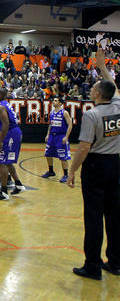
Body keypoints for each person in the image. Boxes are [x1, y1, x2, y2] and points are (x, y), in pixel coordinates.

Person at [67, 51, 120, 280]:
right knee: (115, 216)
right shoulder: (118, 106)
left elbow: (84, 147)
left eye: (94, 87)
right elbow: (114, 88)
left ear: (97, 94)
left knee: (93, 216)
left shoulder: (92, 115)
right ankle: (116, 262)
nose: (91, 89)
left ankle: (92, 266)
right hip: (116, 164)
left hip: (96, 166)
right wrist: (102, 67)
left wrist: (72, 170)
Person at [0, 87, 25, 200]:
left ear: (0, 95)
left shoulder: (0, 107)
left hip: (11, 133)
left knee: (3, 162)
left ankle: (4, 192)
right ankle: (18, 185)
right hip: (13, 132)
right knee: (7, 162)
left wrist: (0, 141)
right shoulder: (4, 104)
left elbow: (6, 125)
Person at [42, 97, 73, 183]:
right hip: (52, 136)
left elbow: (70, 125)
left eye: (56, 101)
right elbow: (50, 125)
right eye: (53, 100)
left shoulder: (64, 112)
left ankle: (66, 175)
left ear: (60, 103)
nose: (53, 102)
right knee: (48, 154)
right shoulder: (51, 112)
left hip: (61, 136)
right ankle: (51, 171)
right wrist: (48, 135)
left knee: (63, 156)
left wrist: (66, 137)